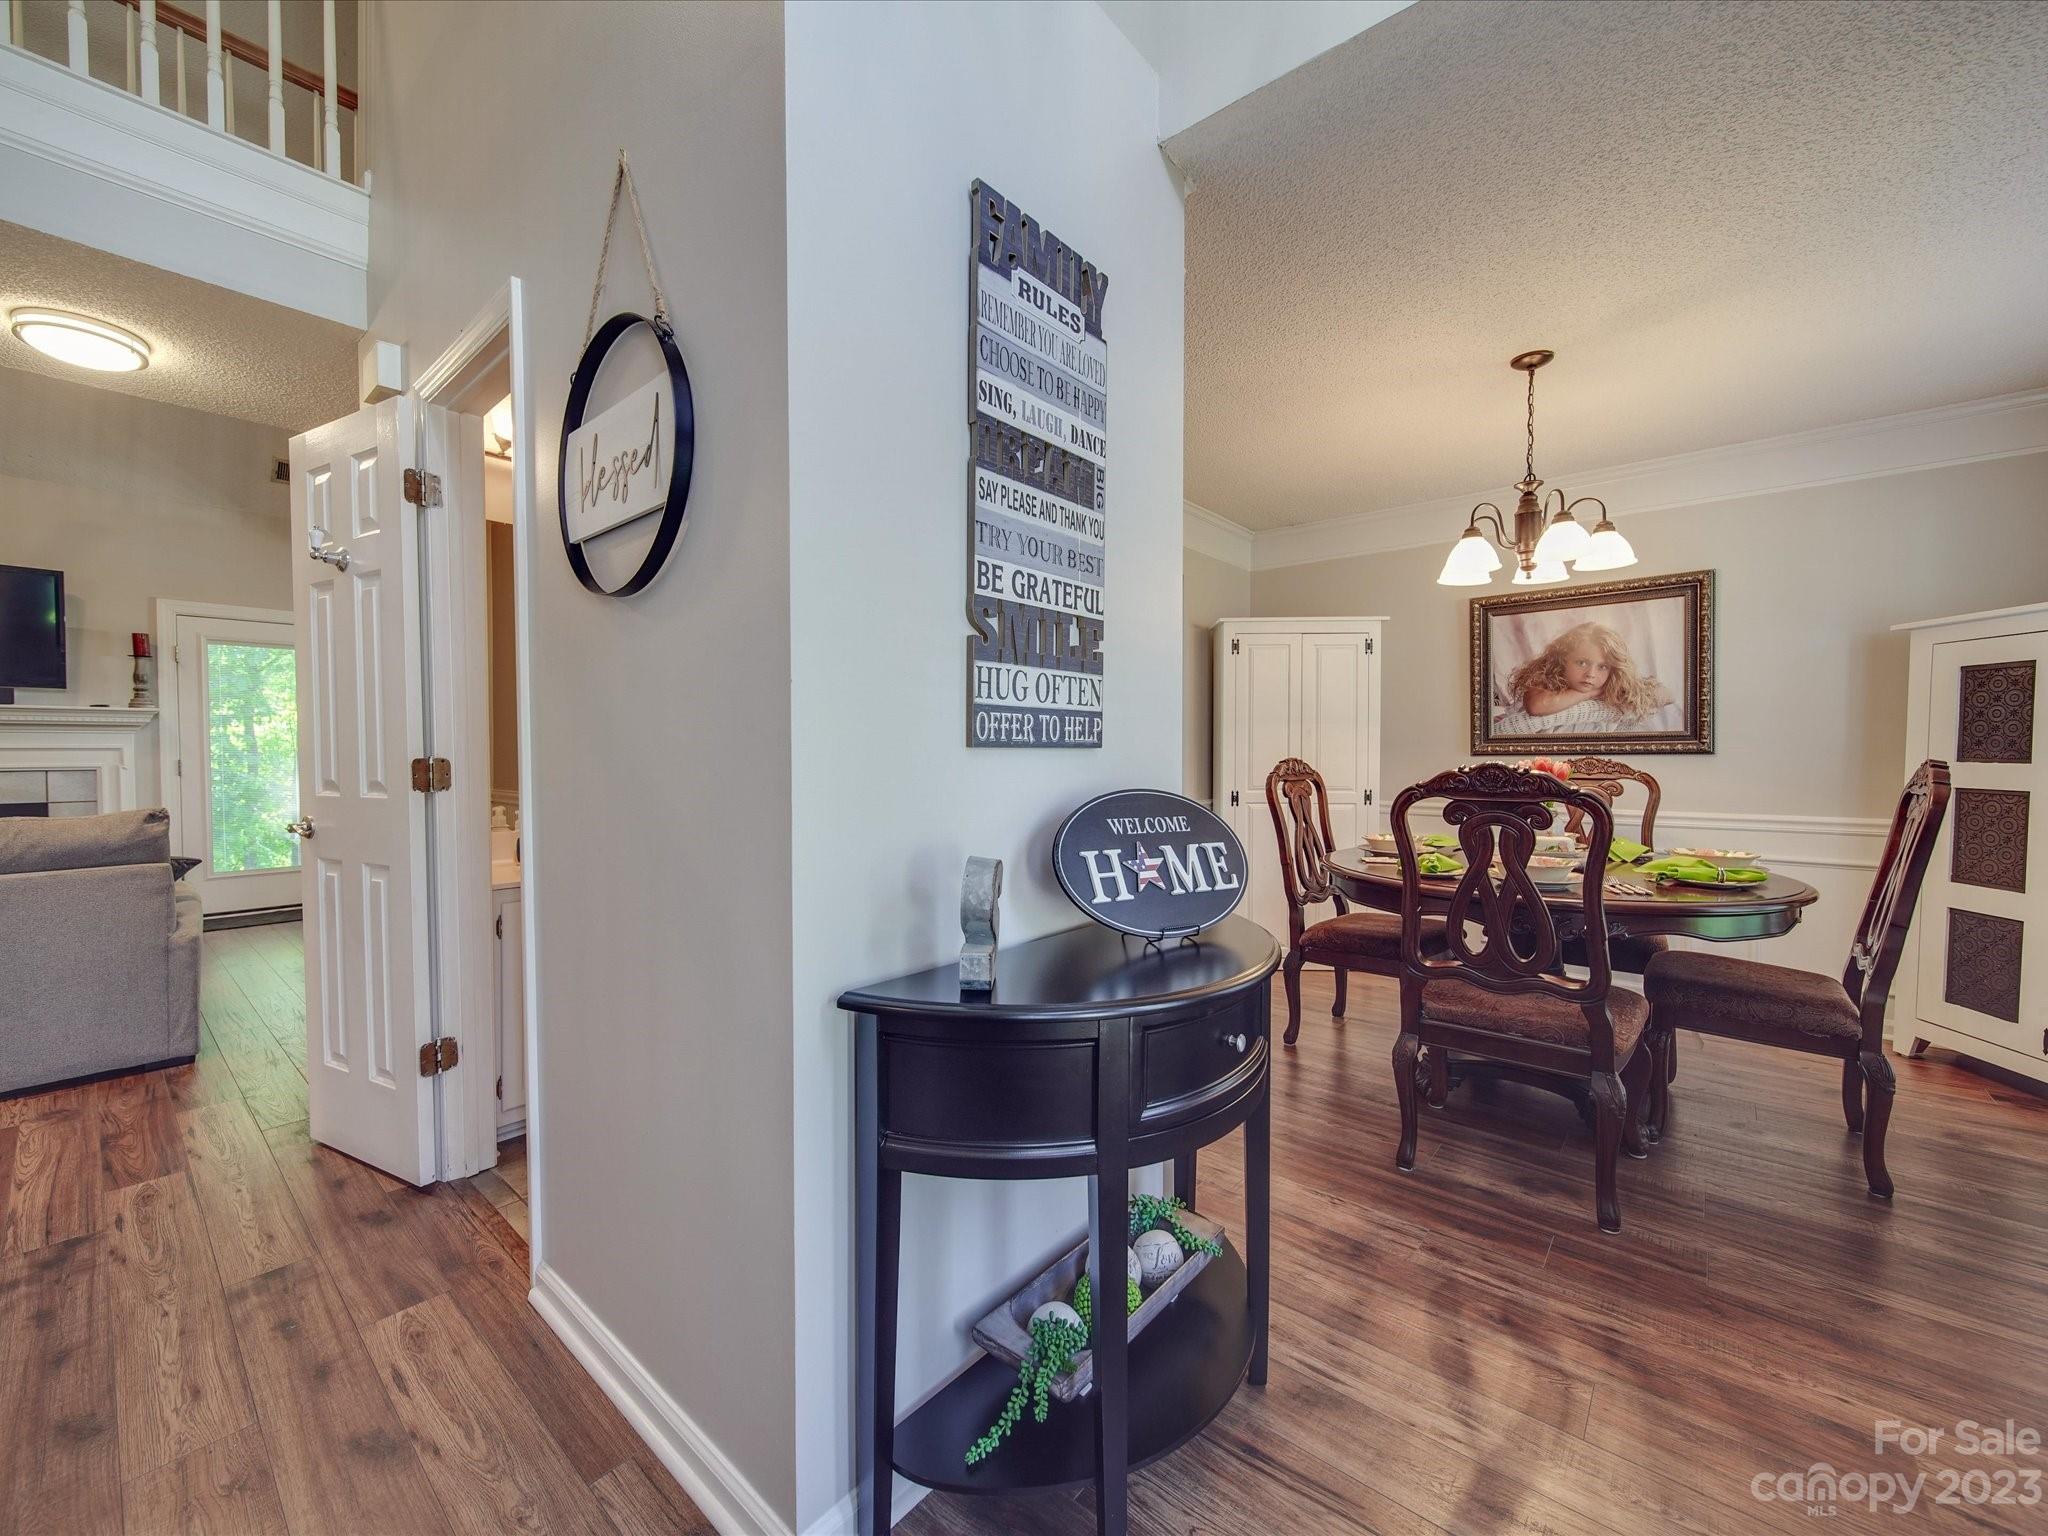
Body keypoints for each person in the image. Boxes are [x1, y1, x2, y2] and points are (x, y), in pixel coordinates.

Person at [1492, 621, 1676, 736]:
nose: (1591, 674)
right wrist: (1591, 693)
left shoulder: (1613, 686)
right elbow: (1536, 707)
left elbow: (1667, 694)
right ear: (1562, 661)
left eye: (1602, 667)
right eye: (1582, 663)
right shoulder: (1546, 683)